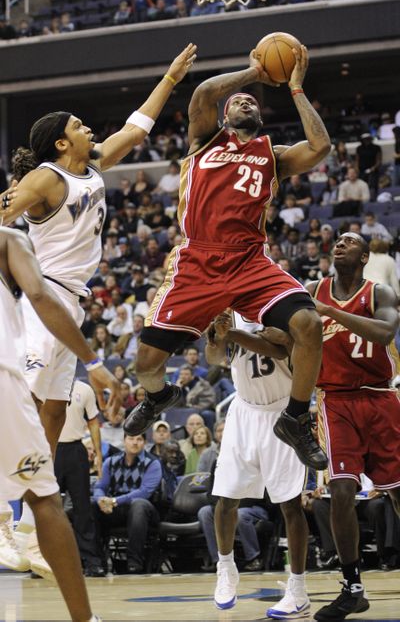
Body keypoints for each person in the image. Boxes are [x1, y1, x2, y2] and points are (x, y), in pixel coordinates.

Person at [0, 43, 196, 571]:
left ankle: (20, 524)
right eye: (82, 126)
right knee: (24, 406)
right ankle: (1, 515)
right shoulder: (47, 178)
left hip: (73, 303)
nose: (91, 130)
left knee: (56, 413)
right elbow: (3, 210)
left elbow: (136, 130)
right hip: (43, 298)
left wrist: (171, 78)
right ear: (63, 141)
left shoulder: (92, 167)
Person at [124, 45, 331, 472]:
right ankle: (160, 396)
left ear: (260, 118)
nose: (243, 101)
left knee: (308, 324)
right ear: (223, 115)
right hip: (197, 260)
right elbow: (202, 93)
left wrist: (294, 88)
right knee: (145, 365)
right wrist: (254, 72)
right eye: (237, 101)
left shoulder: (272, 156)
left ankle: (295, 419)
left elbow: (321, 146)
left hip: (249, 261)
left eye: (251, 102)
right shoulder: (204, 140)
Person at [0, 226, 120, 621]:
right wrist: (94, 361)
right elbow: (37, 294)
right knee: (45, 498)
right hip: (5, 375)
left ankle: (15, 528)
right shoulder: (9, 239)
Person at [306, 232, 400, 621]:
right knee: (341, 489)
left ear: (364, 256)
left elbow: (385, 333)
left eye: (349, 242)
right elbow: (286, 338)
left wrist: (331, 314)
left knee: (397, 493)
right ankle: (353, 588)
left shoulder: (380, 294)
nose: (338, 245)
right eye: (337, 242)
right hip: (337, 400)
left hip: (381, 397)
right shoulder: (314, 289)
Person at [205, 311, 311, 617]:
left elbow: (279, 349)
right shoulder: (229, 312)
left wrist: (231, 335)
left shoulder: (281, 307)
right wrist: (216, 338)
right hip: (243, 412)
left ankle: (298, 589)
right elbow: (213, 358)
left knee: (290, 505)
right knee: (226, 498)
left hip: (283, 411)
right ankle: (226, 567)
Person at [92, 432, 161, 574]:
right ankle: (96, 563)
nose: (135, 442)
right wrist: (101, 500)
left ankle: (134, 562)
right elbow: (99, 487)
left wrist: (115, 500)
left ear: (144, 443)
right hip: (115, 508)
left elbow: (145, 492)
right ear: (124, 441)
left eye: (139, 439)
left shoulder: (153, 463)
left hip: (145, 510)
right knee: (90, 505)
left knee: (138, 505)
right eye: (131, 438)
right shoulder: (110, 461)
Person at [55, 379, 104, 577]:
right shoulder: (42, 384)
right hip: (49, 448)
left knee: (82, 508)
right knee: (46, 507)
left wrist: (99, 453)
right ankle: (45, 561)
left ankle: (91, 561)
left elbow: (93, 421)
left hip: (76, 449)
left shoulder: (84, 389)